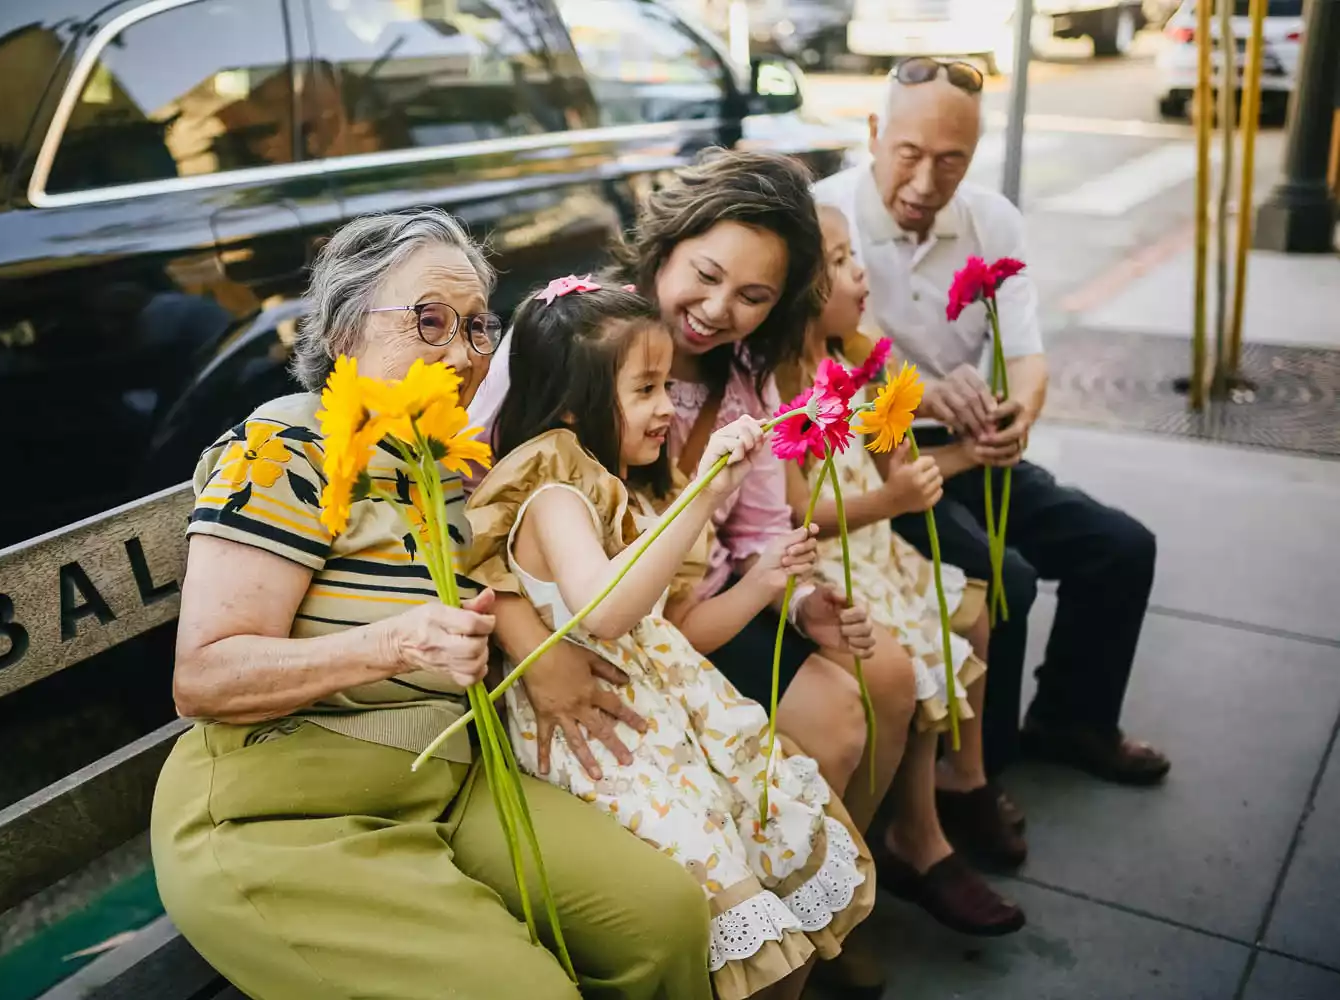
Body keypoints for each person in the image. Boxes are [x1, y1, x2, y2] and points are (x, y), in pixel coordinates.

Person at [149, 209, 715, 1000]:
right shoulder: (287, 447)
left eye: (478, 327)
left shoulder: (449, 467)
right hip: (285, 819)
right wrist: (392, 645)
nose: (460, 351)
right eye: (429, 322)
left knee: (669, 918)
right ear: (347, 331)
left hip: (448, 790)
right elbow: (204, 678)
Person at [470, 148, 919, 998]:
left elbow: (757, 534)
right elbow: (474, 515)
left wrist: (801, 600)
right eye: (706, 276)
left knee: (877, 675)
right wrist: (535, 640)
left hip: (683, 618)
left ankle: (815, 921)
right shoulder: (576, 342)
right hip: (599, 630)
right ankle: (767, 936)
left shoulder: (745, 381)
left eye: (753, 297)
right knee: (830, 724)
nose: (718, 311)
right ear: (667, 248)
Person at [812, 58, 1169, 789]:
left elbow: (1027, 356)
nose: (923, 183)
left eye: (951, 162)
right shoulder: (825, 218)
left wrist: (1017, 420)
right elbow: (853, 352)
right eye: (909, 154)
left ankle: (1072, 719)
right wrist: (931, 396)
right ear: (875, 133)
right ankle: (978, 775)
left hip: (972, 445)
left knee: (1121, 548)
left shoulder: (992, 219)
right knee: (1006, 582)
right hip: (877, 457)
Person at [776, 204, 1025, 938]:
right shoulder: (789, 381)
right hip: (836, 557)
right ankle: (918, 837)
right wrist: (891, 493)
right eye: (842, 261)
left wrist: (947, 456)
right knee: (919, 648)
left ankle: (962, 781)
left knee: (972, 610)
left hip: (878, 544)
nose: (861, 273)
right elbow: (798, 510)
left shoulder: (855, 355)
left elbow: (897, 457)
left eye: (856, 254)